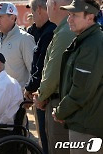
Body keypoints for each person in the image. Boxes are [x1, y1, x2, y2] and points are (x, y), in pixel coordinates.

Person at [53, 0, 103, 153]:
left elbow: (81, 90)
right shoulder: (87, 40)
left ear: (90, 17)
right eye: (69, 14)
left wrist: (61, 111)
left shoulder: (92, 44)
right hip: (85, 122)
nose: (69, 19)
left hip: (87, 126)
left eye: (74, 15)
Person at [32, 0, 76, 153]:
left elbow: (54, 72)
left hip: (60, 102)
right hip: (58, 100)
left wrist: (42, 95)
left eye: (48, 3)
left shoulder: (65, 33)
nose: (46, 7)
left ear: (55, 5)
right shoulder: (62, 30)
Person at [24, 0, 56, 153]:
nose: (31, 15)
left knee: (48, 140)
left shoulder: (51, 31)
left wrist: (30, 87)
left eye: (32, 11)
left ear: (40, 10)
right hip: (39, 93)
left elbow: (42, 65)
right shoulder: (36, 30)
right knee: (44, 139)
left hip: (47, 95)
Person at [0, 2, 36, 88]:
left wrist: (29, 92)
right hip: (1, 94)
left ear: (12, 17)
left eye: (1, 16)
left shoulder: (25, 38)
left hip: (19, 97)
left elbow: (34, 70)